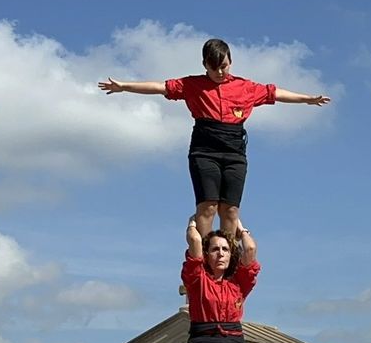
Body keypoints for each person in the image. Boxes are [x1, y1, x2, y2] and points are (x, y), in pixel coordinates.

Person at [98, 38, 330, 243]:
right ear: (204, 65)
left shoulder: (245, 87)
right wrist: (124, 87)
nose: (219, 72)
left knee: (229, 211)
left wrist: (307, 99)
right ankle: (204, 255)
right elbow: (160, 87)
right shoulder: (192, 85)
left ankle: (228, 257)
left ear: (231, 62)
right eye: (213, 67)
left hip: (234, 150)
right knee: (208, 206)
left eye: (224, 66)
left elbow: (275, 93)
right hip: (204, 148)